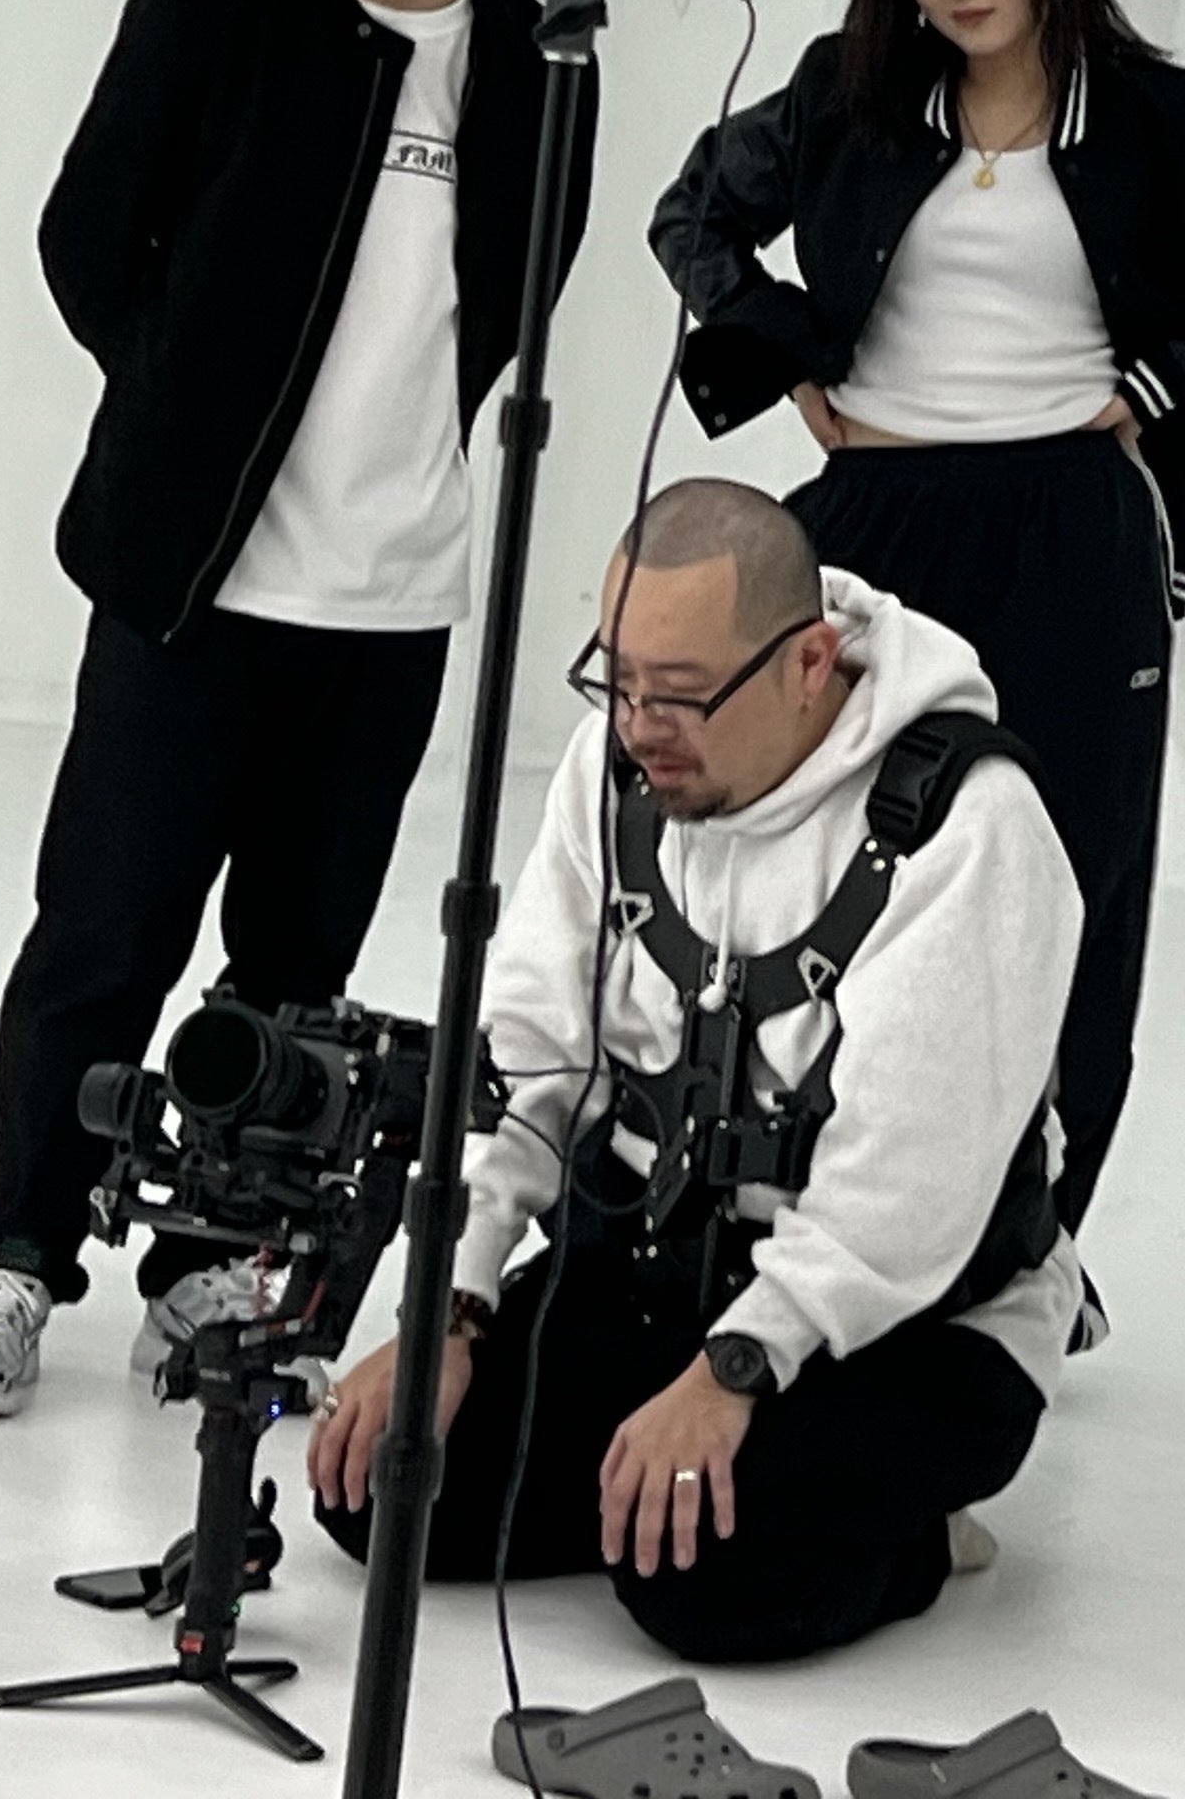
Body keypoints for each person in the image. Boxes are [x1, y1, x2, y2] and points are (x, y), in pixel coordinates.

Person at [0, 0, 591, 1417]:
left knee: (296, 969)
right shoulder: (204, 23)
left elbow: (515, 291)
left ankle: (214, 1257)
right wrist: (187, 408)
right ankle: (15, 1252)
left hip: (392, 601)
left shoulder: (538, 59)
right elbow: (86, 244)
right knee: (102, 934)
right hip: (193, 585)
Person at [648, 0, 1185, 1262]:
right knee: (805, 851)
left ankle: (1027, 1248)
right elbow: (691, 217)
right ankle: (788, 1203)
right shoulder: (847, 96)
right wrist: (791, 353)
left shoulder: (1178, 122)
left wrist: (1179, 378)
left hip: (1072, 525)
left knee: (1063, 882)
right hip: (870, 519)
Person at [304, 479, 1081, 1663]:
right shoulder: (617, 771)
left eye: (679, 694)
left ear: (809, 663)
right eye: (618, 682)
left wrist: (732, 1371)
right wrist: (448, 1311)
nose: (639, 728)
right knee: (383, 1489)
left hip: (906, 1323)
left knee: (707, 1589)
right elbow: (526, 1059)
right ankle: (655, 1475)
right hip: (652, 1275)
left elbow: (904, 1198)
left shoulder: (965, 826)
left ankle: (917, 1528)